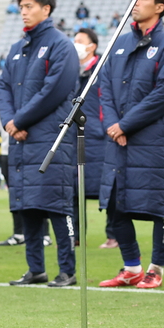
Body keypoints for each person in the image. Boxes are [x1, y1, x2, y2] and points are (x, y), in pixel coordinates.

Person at [98, 0, 164, 290]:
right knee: (114, 203)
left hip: (153, 141)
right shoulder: (119, 43)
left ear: (159, 7)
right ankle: (132, 266)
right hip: (118, 139)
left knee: (161, 205)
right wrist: (113, 124)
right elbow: (104, 86)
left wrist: (125, 125)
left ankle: (156, 269)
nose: (135, 2)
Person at [0, 0, 78, 287]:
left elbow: (53, 91)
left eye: (29, 6)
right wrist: (9, 122)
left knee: (57, 205)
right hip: (20, 139)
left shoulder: (61, 45)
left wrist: (19, 120)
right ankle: (36, 269)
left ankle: (67, 270)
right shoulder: (16, 49)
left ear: (46, 9)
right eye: (21, 6)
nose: (23, 12)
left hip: (51, 139)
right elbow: (3, 87)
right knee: (27, 206)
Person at [73, 28, 111, 248]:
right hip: (75, 137)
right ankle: (76, 236)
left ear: (92, 46)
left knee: (108, 188)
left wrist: (102, 128)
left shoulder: (102, 70)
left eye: (80, 40)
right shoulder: (72, 71)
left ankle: (113, 235)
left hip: (98, 138)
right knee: (75, 190)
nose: (75, 44)